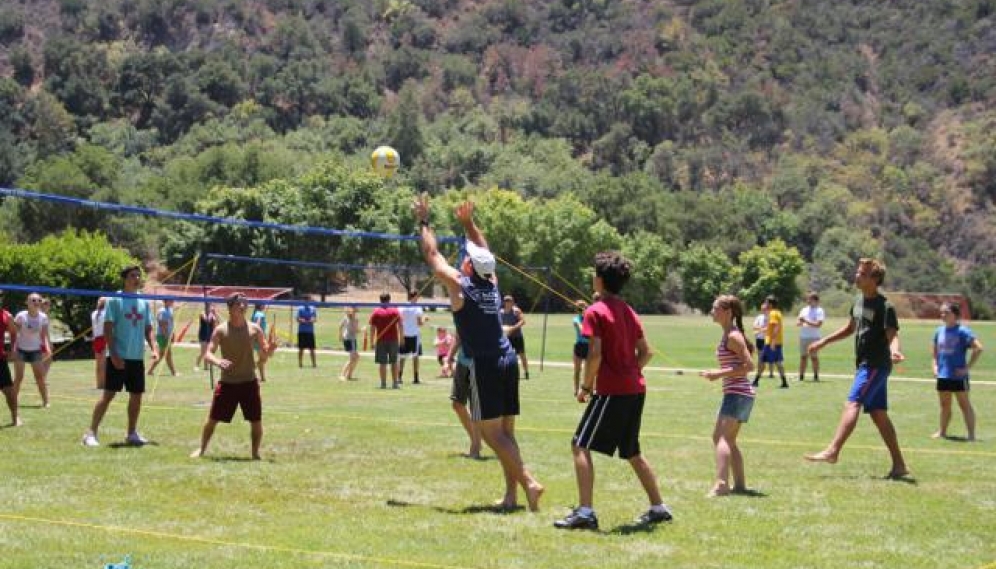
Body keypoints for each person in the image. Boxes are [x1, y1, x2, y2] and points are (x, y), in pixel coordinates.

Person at [414, 194, 544, 511]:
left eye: (466, 257)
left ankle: (529, 482)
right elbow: (484, 249)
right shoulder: (492, 282)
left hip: (484, 364)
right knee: (506, 435)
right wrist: (468, 224)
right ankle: (512, 497)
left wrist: (423, 221)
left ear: (469, 266)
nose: (463, 259)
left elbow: (432, 254)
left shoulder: (460, 285)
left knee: (491, 436)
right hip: (507, 358)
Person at [554, 251, 672, 530]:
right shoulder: (628, 310)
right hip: (635, 390)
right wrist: (631, 371)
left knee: (579, 444)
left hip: (613, 392)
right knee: (631, 450)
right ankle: (658, 508)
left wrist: (586, 386)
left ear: (599, 280)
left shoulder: (594, 312)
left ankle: (585, 512)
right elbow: (647, 352)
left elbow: (593, 355)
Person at [804, 258, 909, 479]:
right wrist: (824, 342)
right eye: (858, 272)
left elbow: (893, 335)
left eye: (862, 274)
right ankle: (899, 465)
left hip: (875, 365)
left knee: (853, 402)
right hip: (865, 364)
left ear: (875, 279)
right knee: (879, 415)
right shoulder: (859, 301)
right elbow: (850, 328)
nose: (857, 276)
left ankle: (833, 451)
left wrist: (894, 351)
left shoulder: (885, 306)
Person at [83, 265, 159, 447]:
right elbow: (108, 328)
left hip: (136, 357)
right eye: (133, 276)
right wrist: (114, 354)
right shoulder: (115, 300)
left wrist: (154, 347)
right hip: (118, 356)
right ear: (125, 279)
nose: (136, 279)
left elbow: (148, 328)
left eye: (138, 276)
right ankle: (90, 433)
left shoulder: (143, 302)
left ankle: (131, 433)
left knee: (136, 395)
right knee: (108, 395)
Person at [190, 293, 274, 460]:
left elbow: (264, 356)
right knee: (213, 419)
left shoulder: (255, 329)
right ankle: (202, 449)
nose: (242, 306)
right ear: (230, 308)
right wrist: (217, 361)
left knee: (256, 420)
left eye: (244, 303)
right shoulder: (221, 330)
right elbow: (208, 354)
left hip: (249, 382)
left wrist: (270, 350)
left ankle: (255, 453)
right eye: (238, 303)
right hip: (228, 383)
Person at [700, 295, 756, 497]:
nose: (711, 311)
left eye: (715, 308)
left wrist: (718, 374)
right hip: (739, 393)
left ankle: (722, 484)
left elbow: (749, 366)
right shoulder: (730, 334)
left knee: (720, 437)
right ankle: (740, 485)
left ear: (728, 312)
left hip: (738, 392)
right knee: (729, 440)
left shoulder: (733, 336)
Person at [931, 303, 983, 441]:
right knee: (944, 405)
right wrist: (934, 366)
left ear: (955, 314)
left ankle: (971, 435)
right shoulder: (938, 331)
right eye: (941, 312)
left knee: (964, 404)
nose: (943, 315)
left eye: (946, 312)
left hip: (958, 376)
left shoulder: (963, 331)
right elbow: (935, 351)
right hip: (943, 375)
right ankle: (942, 432)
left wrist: (967, 368)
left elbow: (978, 348)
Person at [446, 332, 482, 459]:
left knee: (475, 407)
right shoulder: (461, 314)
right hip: (463, 361)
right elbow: (459, 336)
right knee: (457, 404)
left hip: (480, 363)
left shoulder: (484, 314)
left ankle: (476, 447)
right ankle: (475, 440)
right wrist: (449, 357)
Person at [13, 292, 51, 408]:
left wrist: (47, 348)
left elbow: (43, 336)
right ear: (27, 303)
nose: (36, 302)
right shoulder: (21, 316)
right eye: (33, 300)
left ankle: (46, 402)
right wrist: (14, 348)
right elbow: (15, 333)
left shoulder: (43, 317)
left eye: (38, 300)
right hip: (21, 350)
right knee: (19, 378)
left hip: (35, 351)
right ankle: (13, 401)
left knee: (40, 378)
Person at [368, 293, 401, 389]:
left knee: (382, 363)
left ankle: (383, 383)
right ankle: (395, 383)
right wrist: (401, 338)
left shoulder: (376, 312)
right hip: (393, 340)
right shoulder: (395, 311)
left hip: (380, 340)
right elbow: (400, 325)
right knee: (394, 362)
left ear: (380, 300)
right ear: (389, 300)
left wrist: (371, 341)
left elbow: (372, 328)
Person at [754, 295, 788, 389]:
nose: (765, 304)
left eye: (766, 302)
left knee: (762, 361)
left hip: (771, 342)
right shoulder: (777, 312)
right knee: (778, 362)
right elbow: (772, 327)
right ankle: (784, 382)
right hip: (777, 341)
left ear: (770, 304)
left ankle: (755, 381)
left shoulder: (773, 313)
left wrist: (772, 341)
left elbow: (776, 327)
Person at [0, 290, 20, 426]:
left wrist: (13, 349)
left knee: (9, 392)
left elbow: (13, 333)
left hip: (0, 359)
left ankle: (15, 419)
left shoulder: (6, 316)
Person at [399, 290, 427, 384]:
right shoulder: (417, 308)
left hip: (404, 334)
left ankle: (399, 377)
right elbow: (419, 323)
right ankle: (416, 378)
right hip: (414, 335)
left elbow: (399, 320)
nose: (418, 298)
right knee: (415, 357)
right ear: (414, 296)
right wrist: (425, 319)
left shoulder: (401, 307)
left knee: (402, 357)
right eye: (417, 296)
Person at [797, 292, 825, 382]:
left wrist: (806, 321)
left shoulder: (819, 310)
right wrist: (800, 322)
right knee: (803, 357)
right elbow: (799, 322)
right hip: (803, 336)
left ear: (816, 300)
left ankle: (816, 376)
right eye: (808, 299)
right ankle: (801, 376)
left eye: (810, 299)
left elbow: (818, 324)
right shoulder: (804, 310)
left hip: (814, 337)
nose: (808, 301)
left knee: (814, 357)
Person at [501, 295, 530, 379]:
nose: (507, 303)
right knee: (505, 356)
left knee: (522, 355)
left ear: (512, 302)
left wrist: (512, 328)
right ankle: (506, 373)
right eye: (506, 301)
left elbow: (523, 321)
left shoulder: (516, 311)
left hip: (517, 337)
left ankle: (526, 372)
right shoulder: (501, 312)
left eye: (509, 301)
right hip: (506, 338)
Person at [147, 299, 178, 376]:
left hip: (167, 335)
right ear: (166, 302)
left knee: (162, 355)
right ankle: (173, 372)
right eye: (171, 301)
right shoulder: (163, 311)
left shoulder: (169, 310)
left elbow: (171, 321)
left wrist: (172, 334)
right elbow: (162, 324)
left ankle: (149, 371)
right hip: (162, 336)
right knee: (167, 354)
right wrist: (166, 336)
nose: (172, 302)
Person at [571, 299, 590, 394]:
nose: (582, 309)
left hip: (589, 346)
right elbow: (582, 329)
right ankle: (576, 389)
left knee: (589, 370)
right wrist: (584, 316)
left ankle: (590, 389)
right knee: (577, 370)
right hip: (579, 346)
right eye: (579, 308)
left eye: (584, 306)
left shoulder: (590, 318)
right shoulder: (576, 319)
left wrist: (587, 316)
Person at [338, 306, 361, 381]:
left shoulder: (348, 318)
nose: (356, 312)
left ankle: (349, 375)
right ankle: (342, 375)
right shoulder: (353, 319)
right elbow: (355, 331)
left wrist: (340, 335)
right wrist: (363, 330)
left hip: (350, 339)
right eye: (355, 311)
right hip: (350, 340)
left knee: (356, 357)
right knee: (352, 359)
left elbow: (340, 326)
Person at [195, 304, 218, 371]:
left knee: (208, 351)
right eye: (208, 306)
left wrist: (215, 314)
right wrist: (211, 314)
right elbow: (207, 320)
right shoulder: (202, 313)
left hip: (209, 335)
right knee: (203, 352)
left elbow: (215, 324)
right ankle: (197, 365)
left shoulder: (212, 315)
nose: (209, 308)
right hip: (203, 334)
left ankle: (206, 367)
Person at [91, 297, 107, 389]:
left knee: (98, 363)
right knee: (104, 363)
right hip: (104, 338)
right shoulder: (106, 313)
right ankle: (104, 384)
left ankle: (99, 384)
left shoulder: (94, 313)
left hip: (96, 339)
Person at [251, 303, 269, 382]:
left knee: (261, 358)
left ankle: (262, 378)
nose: (265, 305)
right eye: (263, 303)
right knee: (264, 358)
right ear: (261, 305)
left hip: (256, 338)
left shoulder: (254, 313)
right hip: (260, 339)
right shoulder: (260, 313)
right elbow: (257, 324)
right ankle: (249, 370)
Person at [297, 302, 318, 368]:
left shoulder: (313, 308)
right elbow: (297, 318)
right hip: (302, 331)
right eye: (306, 299)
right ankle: (300, 364)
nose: (307, 301)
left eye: (308, 299)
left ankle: (314, 364)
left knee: (312, 349)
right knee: (301, 349)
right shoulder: (300, 308)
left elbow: (315, 319)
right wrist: (301, 320)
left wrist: (312, 320)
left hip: (310, 332)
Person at [751, 301, 769, 376]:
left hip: (767, 339)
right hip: (759, 339)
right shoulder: (759, 317)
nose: (763, 310)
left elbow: (769, 328)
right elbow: (754, 326)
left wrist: (760, 330)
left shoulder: (771, 317)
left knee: (765, 356)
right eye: (762, 309)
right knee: (760, 356)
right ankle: (759, 372)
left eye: (765, 309)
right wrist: (762, 329)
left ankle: (769, 372)